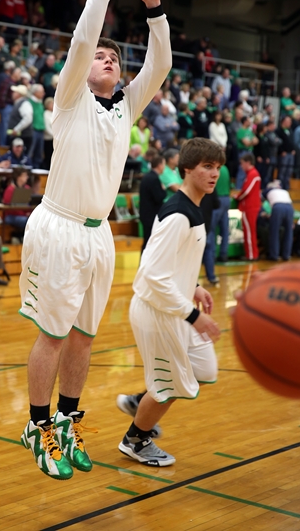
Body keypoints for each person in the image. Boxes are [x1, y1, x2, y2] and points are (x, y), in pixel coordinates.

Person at [18, 0, 171, 480]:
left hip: (99, 235)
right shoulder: (69, 99)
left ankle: (66, 421)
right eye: (100, 57)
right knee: (53, 337)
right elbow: (83, 42)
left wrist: (155, 12)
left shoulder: (125, 106)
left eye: (113, 57)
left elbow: (161, 66)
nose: (106, 59)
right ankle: (37, 428)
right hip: (57, 227)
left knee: (83, 338)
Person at [118, 138, 223, 467]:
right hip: (158, 312)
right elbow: (152, 275)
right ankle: (135, 441)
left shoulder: (193, 207)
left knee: (204, 368)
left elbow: (174, 263)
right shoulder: (178, 214)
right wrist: (194, 316)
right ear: (187, 169)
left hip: (175, 306)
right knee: (171, 384)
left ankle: (142, 400)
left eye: (218, 167)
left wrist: (193, 285)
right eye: (207, 166)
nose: (214, 173)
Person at [233, 153, 261, 261]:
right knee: (250, 231)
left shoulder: (253, 174)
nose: (241, 166)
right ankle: (253, 253)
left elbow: (247, 191)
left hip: (250, 207)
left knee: (249, 231)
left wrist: (238, 197)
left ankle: (251, 255)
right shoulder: (252, 174)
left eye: (242, 163)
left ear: (248, 162)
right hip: (251, 206)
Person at [139, 154, 166, 250]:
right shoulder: (154, 179)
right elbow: (159, 197)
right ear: (159, 165)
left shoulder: (146, 177)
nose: (164, 167)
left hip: (145, 214)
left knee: (147, 241)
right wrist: (163, 190)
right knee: (149, 242)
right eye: (164, 164)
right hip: (151, 215)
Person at [264, 180, 294, 261]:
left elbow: (263, 199)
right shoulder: (284, 191)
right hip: (289, 208)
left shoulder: (268, 190)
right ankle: (286, 255)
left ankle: (274, 255)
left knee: (274, 231)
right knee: (289, 232)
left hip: (278, 207)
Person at [7, 85, 33, 152]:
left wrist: (16, 129)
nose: (12, 93)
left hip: (23, 137)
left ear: (19, 94)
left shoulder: (24, 103)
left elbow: (28, 118)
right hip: (19, 136)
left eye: (14, 92)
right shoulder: (18, 103)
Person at [214, 163, 231, 263]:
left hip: (217, 199)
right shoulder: (225, 168)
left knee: (212, 229)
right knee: (225, 230)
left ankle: (212, 255)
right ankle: (224, 254)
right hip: (226, 199)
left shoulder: (215, 170)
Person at [276, 116, 296, 190]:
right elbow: (277, 143)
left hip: (291, 153)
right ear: (283, 122)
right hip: (283, 154)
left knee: (289, 171)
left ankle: (286, 186)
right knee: (282, 170)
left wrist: (293, 149)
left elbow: (292, 141)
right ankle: (280, 186)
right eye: (288, 121)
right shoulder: (279, 131)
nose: (290, 123)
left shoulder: (290, 130)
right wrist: (281, 151)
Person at [28, 84, 46, 168]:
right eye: (42, 92)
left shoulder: (40, 104)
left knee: (39, 154)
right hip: (33, 130)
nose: (44, 94)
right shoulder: (29, 102)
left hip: (41, 131)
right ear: (35, 92)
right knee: (30, 152)